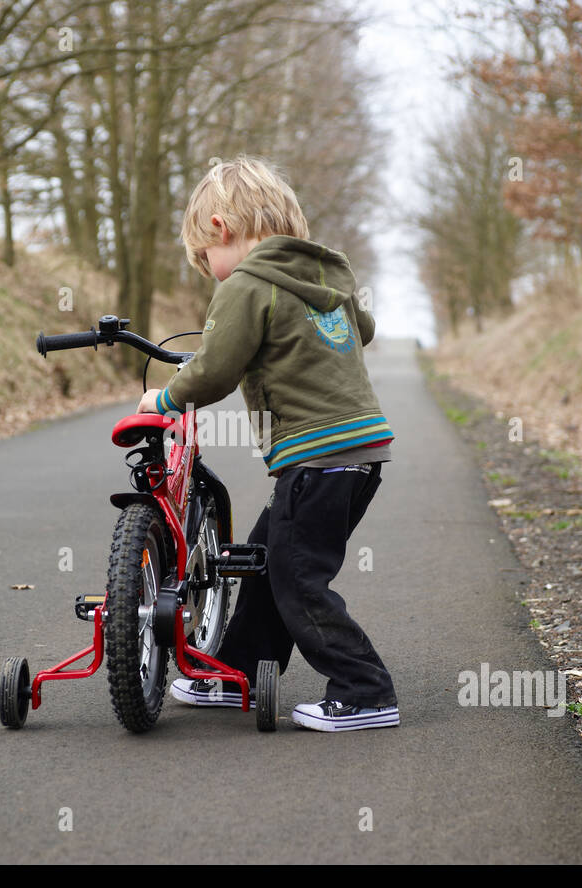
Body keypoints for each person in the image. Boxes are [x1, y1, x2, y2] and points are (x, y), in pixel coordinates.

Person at [135, 155, 398, 732]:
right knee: (266, 560)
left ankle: (364, 689)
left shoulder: (248, 284)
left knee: (298, 578)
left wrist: (166, 399)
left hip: (318, 454)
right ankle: (238, 674)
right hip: (361, 452)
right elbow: (366, 329)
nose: (214, 274)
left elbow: (215, 369)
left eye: (208, 262)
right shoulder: (327, 275)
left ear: (220, 230)